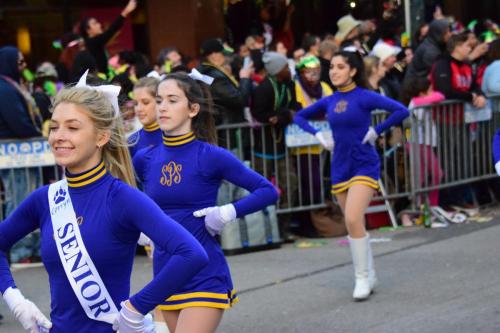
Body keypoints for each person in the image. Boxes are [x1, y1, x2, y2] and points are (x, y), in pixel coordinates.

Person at [0, 73, 208, 333]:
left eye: (73, 128)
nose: (58, 136)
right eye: (54, 127)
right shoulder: (44, 199)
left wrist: (136, 308)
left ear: (101, 137)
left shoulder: (123, 198)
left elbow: (192, 253)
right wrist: (15, 300)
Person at [133, 72, 278, 333]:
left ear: (193, 109)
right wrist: (138, 225)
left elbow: (267, 191)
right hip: (165, 274)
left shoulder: (211, 155)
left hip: (203, 273)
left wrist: (226, 212)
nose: (162, 107)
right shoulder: (144, 158)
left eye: (172, 100)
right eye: (159, 99)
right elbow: (125, 197)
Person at [294, 50, 409, 301]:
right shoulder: (329, 100)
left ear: (353, 70)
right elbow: (299, 116)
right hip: (339, 166)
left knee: (354, 217)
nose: (334, 71)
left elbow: (401, 110)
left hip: (364, 163)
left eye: (340, 67)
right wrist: (318, 135)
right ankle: (370, 274)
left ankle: (361, 277)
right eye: (332, 67)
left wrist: (376, 130)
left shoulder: (365, 96)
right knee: (352, 222)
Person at [0, 46, 44, 263]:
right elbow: (19, 124)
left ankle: (31, 248)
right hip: (15, 156)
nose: (24, 66)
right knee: (19, 202)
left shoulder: (12, 86)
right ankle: (19, 251)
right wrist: (39, 134)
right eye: (20, 62)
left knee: (27, 201)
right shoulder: (5, 89)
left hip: (23, 156)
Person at [251, 51, 301, 241]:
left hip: (283, 146)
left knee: (290, 184)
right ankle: (264, 232)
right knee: (260, 189)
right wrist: (281, 116)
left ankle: (284, 228)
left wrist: (282, 116)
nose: (288, 70)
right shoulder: (263, 88)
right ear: (277, 70)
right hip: (263, 148)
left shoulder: (289, 84)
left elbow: (294, 106)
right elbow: (260, 113)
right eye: (285, 67)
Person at [80, 0, 137, 76]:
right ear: (88, 30)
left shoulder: (93, 42)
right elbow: (110, 31)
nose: (99, 25)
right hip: (98, 80)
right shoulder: (92, 42)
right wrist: (125, 12)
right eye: (95, 23)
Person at [128, 77, 162, 157]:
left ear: (159, 102)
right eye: (136, 103)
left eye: (145, 102)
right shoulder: (132, 141)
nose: (139, 109)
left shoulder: (174, 135)